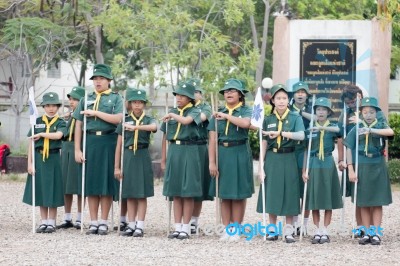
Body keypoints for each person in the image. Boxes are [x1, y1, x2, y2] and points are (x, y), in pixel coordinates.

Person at [73, 64, 123, 235]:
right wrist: (77, 149)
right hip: (90, 141)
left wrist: (96, 113)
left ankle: (103, 221)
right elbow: (78, 124)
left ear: (109, 80)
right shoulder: (85, 98)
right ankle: (93, 221)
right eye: (95, 78)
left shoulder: (116, 98)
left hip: (109, 141)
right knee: (92, 182)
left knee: (106, 183)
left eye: (101, 78)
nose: (98, 81)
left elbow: (118, 119)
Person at [256, 84, 305, 243]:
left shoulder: (295, 117)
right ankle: (272, 230)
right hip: (272, 158)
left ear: (288, 100)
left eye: (284, 98)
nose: (282, 101)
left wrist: (281, 133)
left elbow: (301, 136)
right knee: (272, 193)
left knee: (290, 193)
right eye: (278, 98)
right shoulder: (268, 119)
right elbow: (263, 143)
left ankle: (289, 231)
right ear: (273, 101)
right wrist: (260, 166)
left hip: (289, 157)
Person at [337, 84, 388, 236]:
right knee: (359, 195)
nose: (351, 105)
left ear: (359, 96)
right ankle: (361, 227)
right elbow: (341, 137)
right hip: (353, 155)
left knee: (374, 195)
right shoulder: (344, 114)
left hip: (372, 157)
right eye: (348, 102)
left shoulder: (373, 110)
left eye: (353, 101)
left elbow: (385, 133)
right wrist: (341, 160)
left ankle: (374, 228)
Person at [208, 78, 254, 241]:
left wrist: (226, 116)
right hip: (223, 153)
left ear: (240, 95)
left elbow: (246, 123)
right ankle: (227, 228)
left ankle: (237, 227)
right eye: (226, 91)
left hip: (240, 152)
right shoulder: (217, 112)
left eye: (232, 91)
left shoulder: (246, 110)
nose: (228, 93)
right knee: (224, 193)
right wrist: (212, 162)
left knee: (239, 193)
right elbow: (212, 139)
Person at [344, 97, 393, 245]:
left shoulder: (381, 125)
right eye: (365, 112)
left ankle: (376, 232)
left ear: (376, 113)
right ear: (361, 113)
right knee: (363, 200)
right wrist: (350, 169)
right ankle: (366, 232)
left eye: (372, 112)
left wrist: (371, 129)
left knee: (377, 201)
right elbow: (348, 147)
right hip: (362, 165)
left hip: (377, 164)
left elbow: (390, 132)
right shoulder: (357, 128)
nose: (369, 115)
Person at [161, 82, 202, 240]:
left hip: (189, 150)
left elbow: (186, 121)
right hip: (174, 150)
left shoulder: (195, 110)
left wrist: (172, 115)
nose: (178, 98)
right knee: (176, 191)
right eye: (177, 95)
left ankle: (186, 227)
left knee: (188, 191)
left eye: (182, 95)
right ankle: (177, 227)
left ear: (190, 98)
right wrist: (163, 159)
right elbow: (165, 136)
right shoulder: (172, 111)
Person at [114, 88, 157, 237]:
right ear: (130, 104)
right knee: (130, 192)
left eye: (140, 102)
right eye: (134, 102)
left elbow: (154, 127)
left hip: (142, 155)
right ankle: (131, 225)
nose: (137, 105)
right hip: (128, 156)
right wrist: (117, 167)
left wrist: (136, 127)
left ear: (144, 104)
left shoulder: (148, 119)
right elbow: (119, 145)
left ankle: (140, 225)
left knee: (141, 193)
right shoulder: (124, 120)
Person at [23, 92, 66, 233]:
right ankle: (43, 221)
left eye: (54, 105)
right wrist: (29, 163)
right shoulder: (37, 121)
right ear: (43, 107)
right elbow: (31, 143)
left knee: (53, 189)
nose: (51, 108)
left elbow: (58, 135)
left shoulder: (60, 122)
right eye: (48, 105)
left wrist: (41, 134)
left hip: (53, 158)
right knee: (41, 189)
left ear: (58, 107)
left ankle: (52, 222)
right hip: (38, 157)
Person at [302, 97, 342, 244]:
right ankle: (317, 230)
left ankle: (325, 230)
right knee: (315, 197)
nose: (321, 112)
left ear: (328, 112)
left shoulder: (332, 126)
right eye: (318, 109)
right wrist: (304, 170)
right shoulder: (310, 128)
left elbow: (339, 131)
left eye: (324, 109)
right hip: (313, 162)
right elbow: (306, 150)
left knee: (327, 197)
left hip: (327, 161)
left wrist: (322, 128)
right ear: (315, 112)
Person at [186, 78, 213, 234]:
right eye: (192, 91)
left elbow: (201, 118)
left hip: (200, 147)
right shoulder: (182, 107)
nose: (194, 94)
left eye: (197, 92)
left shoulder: (205, 107)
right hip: (184, 147)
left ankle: (194, 221)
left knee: (198, 186)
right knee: (186, 187)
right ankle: (184, 221)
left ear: (201, 94)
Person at [57, 86, 85, 230]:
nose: (71, 101)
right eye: (70, 99)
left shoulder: (84, 116)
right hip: (66, 148)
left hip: (77, 148)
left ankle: (80, 217)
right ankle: (67, 217)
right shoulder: (67, 116)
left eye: (75, 99)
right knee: (66, 185)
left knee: (79, 185)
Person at [289, 81, 312, 235]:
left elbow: (317, 119)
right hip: (291, 150)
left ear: (307, 95)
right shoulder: (287, 110)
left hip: (307, 150)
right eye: (297, 92)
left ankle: (303, 224)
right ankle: (293, 223)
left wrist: (301, 113)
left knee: (305, 189)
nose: (300, 94)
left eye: (303, 92)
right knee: (292, 188)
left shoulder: (312, 110)